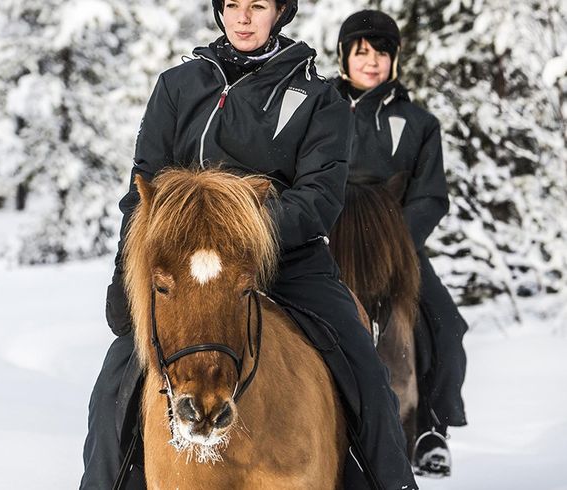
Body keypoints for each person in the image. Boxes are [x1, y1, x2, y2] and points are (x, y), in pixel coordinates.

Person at [80, 1, 418, 489]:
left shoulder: (317, 98)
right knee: (114, 385)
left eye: (257, 5)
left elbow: (320, 196)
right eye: (232, 5)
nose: (242, 17)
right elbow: (142, 191)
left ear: (280, 12)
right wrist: (124, 277)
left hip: (289, 261)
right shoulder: (178, 87)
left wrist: (245, 234)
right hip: (185, 267)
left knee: (366, 376)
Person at [333, 9, 469, 478]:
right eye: (361, 51)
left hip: (397, 248)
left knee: (446, 325)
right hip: (325, 243)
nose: (372, 62)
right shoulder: (318, 110)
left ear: (395, 58)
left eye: (382, 52)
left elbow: (431, 196)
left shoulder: (417, 123)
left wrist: (391, 244)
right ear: (344, 56)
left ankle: (431, 428)